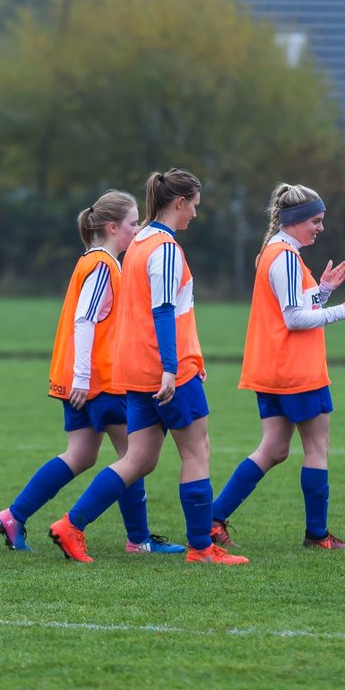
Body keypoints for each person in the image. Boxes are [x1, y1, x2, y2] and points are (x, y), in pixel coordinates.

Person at [48, 169, 248, 565]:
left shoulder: (137, 242)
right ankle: (202, 548)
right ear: (179, 203)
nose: (194, 214)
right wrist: (173, 368)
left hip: (135, 369)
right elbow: (163, 310)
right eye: (194, 206)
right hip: (165, 370)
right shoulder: (166, 247)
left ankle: (71, 525)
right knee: (197, 451)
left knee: (139, 459)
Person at [0, 190, 183, 555]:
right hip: (98, 382)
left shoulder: (94, 262)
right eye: (132, 223)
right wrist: (83, 378)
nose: (137, 229)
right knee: (134, 454)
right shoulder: (103, 264)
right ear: (113, 227)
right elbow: (85, 320)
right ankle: (138, 540)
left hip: (81, 379)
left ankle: (14, 516)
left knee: (80, 455)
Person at [209, 183, 345, 549]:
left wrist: (324, 290)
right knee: (317, 447)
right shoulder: (284, 255)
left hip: (272, 368)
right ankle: (317, 536)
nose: (320, 228)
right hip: (296, 370)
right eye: (315, 220)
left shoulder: (275, 251)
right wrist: (340, 311)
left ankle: (213, 520)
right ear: (296, 220)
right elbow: (295, 317)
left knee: (273, 449)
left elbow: (295, 303)